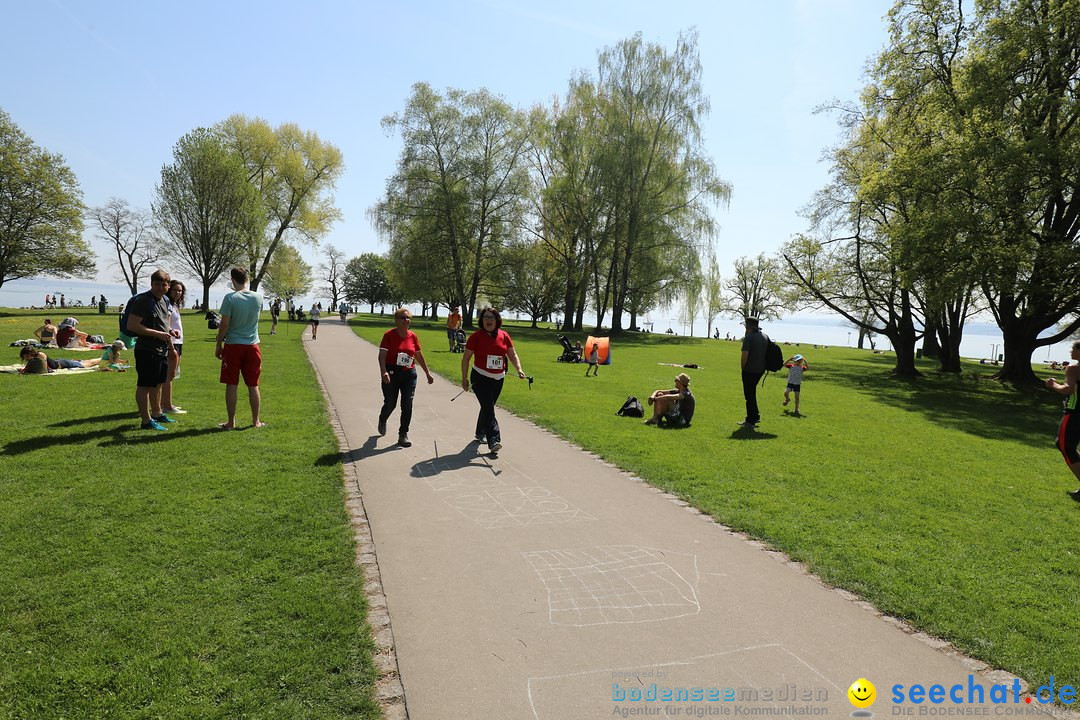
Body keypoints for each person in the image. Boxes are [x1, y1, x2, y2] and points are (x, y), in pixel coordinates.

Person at [461, 307, 526, 453]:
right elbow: (465, 359)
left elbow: (512, 354)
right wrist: (464, 379)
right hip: (480, 377)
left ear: (497, 320)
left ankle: (480, 432)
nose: (488, 320)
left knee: (487, 407)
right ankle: (494, 440)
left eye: (492, 317)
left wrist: (519, 369)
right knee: (489, 408)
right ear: (481, 320)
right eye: (485, 317)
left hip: (498, 378)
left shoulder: (504, 335)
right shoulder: (476, 337)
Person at [127, 269, 180, 431]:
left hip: (161, 349)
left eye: (164, 284)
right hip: (146, 349)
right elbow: (133, 325)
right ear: (151, 284)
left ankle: (157, 413)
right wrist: (158, 334)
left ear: (168, 286)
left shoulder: (164, 300)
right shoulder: (143, 300)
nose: (160, 287)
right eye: (157, 284)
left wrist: (170, 332)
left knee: (158, 383)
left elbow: (163, 323)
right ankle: (146, 420)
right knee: (145, 385)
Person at [215, 266, 266, 429]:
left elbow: (224, 325)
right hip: (252, 345)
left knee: (232, 384)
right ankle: (255, 420)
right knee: (253, 385)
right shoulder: (258, 297)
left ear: (232, 280)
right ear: (247, 279)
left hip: (233, 345)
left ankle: (231, 422)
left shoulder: (230, 298)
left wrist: (218, 344)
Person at [377, 307, 434, 447]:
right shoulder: (389, 335)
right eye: (403, 318)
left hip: (409, 374)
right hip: (392, 373)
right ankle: (383, 418)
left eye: (408, 318)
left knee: (407, 405)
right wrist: (383, 371)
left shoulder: (413, 336)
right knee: (390, 403)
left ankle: (403, 435)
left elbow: (418, 355)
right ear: (396, 320)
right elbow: (382, 355)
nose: (406, 320)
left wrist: (427, 373)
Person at [1045, 341, 1080, 502]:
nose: (1070, 351)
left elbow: (1068, 389)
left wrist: (1053, 385)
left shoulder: (1073, 368)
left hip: (1074, 413)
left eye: (1073, 348)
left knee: (1065, 446)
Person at [161, 280, 187, 414]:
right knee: (169, 376)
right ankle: (168, 406)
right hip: (172, 343)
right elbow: (165, 324)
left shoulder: (174, 305)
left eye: (180, 291)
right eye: (175, 290)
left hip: (178, 342)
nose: (178, 293)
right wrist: (171, 347)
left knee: (171, 375)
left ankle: (163, 404)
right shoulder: (168, 305)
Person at [738, 317, 768, 427]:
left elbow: (744, 356)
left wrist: (743, 368)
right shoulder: (764, 336)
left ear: (748, 326)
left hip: (749, 370)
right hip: (760, 370)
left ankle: (750, 420)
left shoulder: (749, 338)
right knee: (752, 393)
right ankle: (755, 416)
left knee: (749, 395)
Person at [19, 346, 102, 373]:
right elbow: (29, 366)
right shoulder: (32, 359)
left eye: (26, 356)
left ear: (30, 353)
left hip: (62, 364)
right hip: (59, 362)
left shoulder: (40, 355)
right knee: (85, 362)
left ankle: (102, 359)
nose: (26, 358)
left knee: (87, 364)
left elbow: (44, 369)